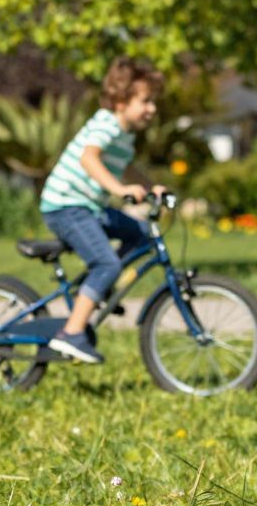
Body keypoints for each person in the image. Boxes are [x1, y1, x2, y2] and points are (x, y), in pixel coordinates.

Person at [38, 58, 167, 365]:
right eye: (145, 101)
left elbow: (126, 167)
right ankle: (71, 333)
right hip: (65, 205)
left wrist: (150, 188)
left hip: (88, 207)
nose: (152, 109)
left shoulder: (124, 133)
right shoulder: (106, 123)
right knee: (106, 262)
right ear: (121, 101)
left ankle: (100, 287)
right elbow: (89, 158)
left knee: (141, 235)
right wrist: (120, 191)